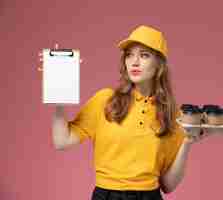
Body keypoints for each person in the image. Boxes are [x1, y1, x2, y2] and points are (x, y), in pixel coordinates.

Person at [40, 25, 210, 200]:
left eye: (144, 55)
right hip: (106, 196)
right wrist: (58, 94)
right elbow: (62, 141)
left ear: (159, 64)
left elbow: (168, 185)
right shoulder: (105, 100)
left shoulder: (172, 115)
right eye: (129, 54)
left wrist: (187, 143)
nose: (134, 62)